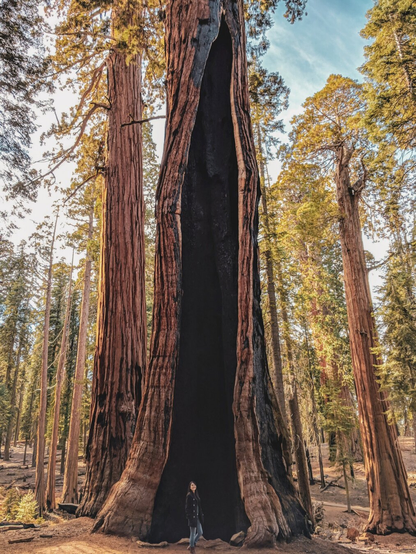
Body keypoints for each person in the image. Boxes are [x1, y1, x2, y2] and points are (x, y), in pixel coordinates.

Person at [185, 481, 204, 553]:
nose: (194, 486)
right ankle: (192, 549)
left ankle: (192, 544)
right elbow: (187, 507)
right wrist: (189, 517)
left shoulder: (196, 495)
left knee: (200, 532)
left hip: (197, 517)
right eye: (192, 485)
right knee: (192, 533)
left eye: (194, 485)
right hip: (192, 517)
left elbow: (199, 507)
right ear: (190, 487)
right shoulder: (189, 495)